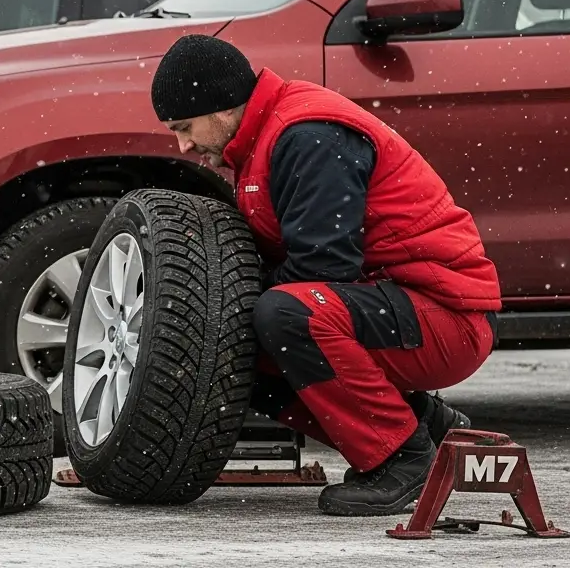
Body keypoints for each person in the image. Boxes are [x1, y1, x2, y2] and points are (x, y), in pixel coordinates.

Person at [139, 33, 502, 516]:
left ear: (223, 107)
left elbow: (324, 265)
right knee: (238, 360)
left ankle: (400, 458)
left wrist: (219, 312)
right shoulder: (265, 140)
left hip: (449, 318)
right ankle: (424, 424)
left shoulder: (307, 134)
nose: (183, 144)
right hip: (394, 305)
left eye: (184, 126)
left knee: (284, 316)